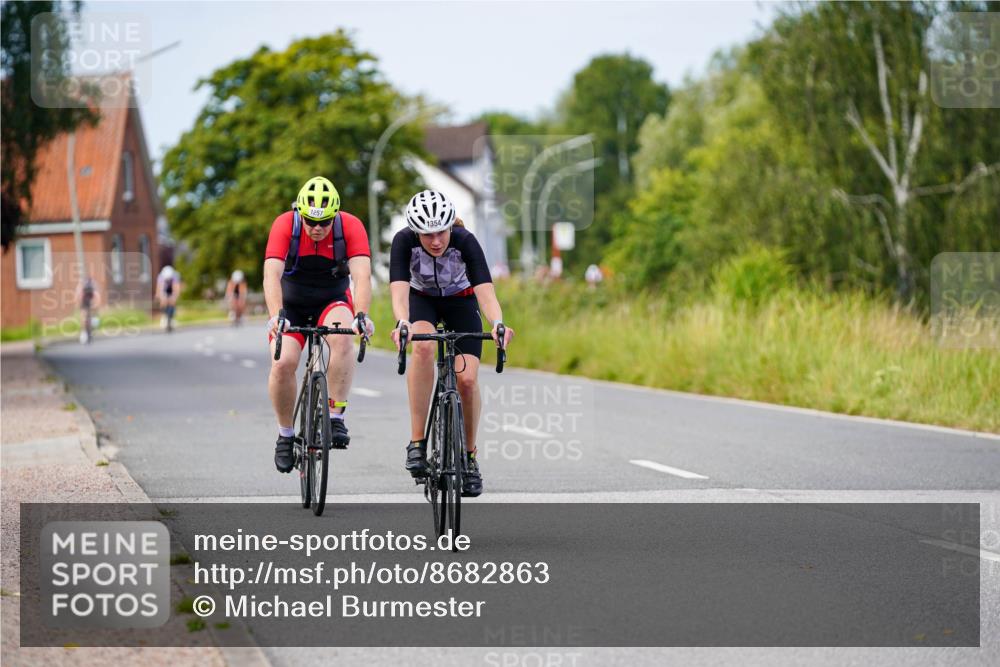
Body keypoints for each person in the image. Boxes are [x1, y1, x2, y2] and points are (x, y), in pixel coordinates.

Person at [389, 190, 514, 498]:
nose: (436, 241)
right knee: (423, 347)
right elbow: (400, 293)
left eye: (441, 232)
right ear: (416, 231)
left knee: (467, 380)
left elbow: (486, 293)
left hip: (461, 301)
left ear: (450, 227)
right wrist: (403, 322)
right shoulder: (403, 242)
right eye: (427, 234)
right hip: (422, 301)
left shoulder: (465, 241)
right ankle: (417, 442)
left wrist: (498, 324)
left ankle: (469, 458)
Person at [263, 176, 374, 473]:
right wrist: (276, 315)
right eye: (311, 222)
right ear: (299, 213)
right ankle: (285, 435)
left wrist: (361, 314)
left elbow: (362, 276)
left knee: (343, 337)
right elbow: (271, 275)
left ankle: (335, 417)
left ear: (334, 216)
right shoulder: (285, 225)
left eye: (324, 222)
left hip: (332, 300)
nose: (317, 228)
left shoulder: (350, 226)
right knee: (283, 362)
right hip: (292, 305)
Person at [156, 265, 182, 332]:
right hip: (164, 289)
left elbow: (177, 289)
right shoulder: (161, 277)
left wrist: (174, 297)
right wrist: (161, 297)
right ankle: (164, 317)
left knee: (172, 302)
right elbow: (159, 289)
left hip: (171, 289)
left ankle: (171, 318)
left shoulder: (175, 276)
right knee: (163, 301)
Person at [76, 276, 101, 344]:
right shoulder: (84, 287)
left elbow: (97, 298)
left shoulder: (90, 287)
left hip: (88, 300)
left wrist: (95, 306)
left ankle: (86, 330)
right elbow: (79, 297)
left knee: (87, 316)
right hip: (86, 300)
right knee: (86, 316)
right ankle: (85, 331)